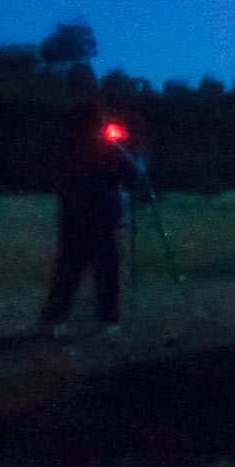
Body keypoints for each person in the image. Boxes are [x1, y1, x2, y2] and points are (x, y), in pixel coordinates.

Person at [39, 105, 150, 338]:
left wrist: (127, 151)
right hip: (91, 215)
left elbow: (129, 177)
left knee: (84, 268)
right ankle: (88, 320)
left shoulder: (95, 147)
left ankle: (63, 319)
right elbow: (131, 177)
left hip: (83, 215)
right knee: (84, 268)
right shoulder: (90, 148)